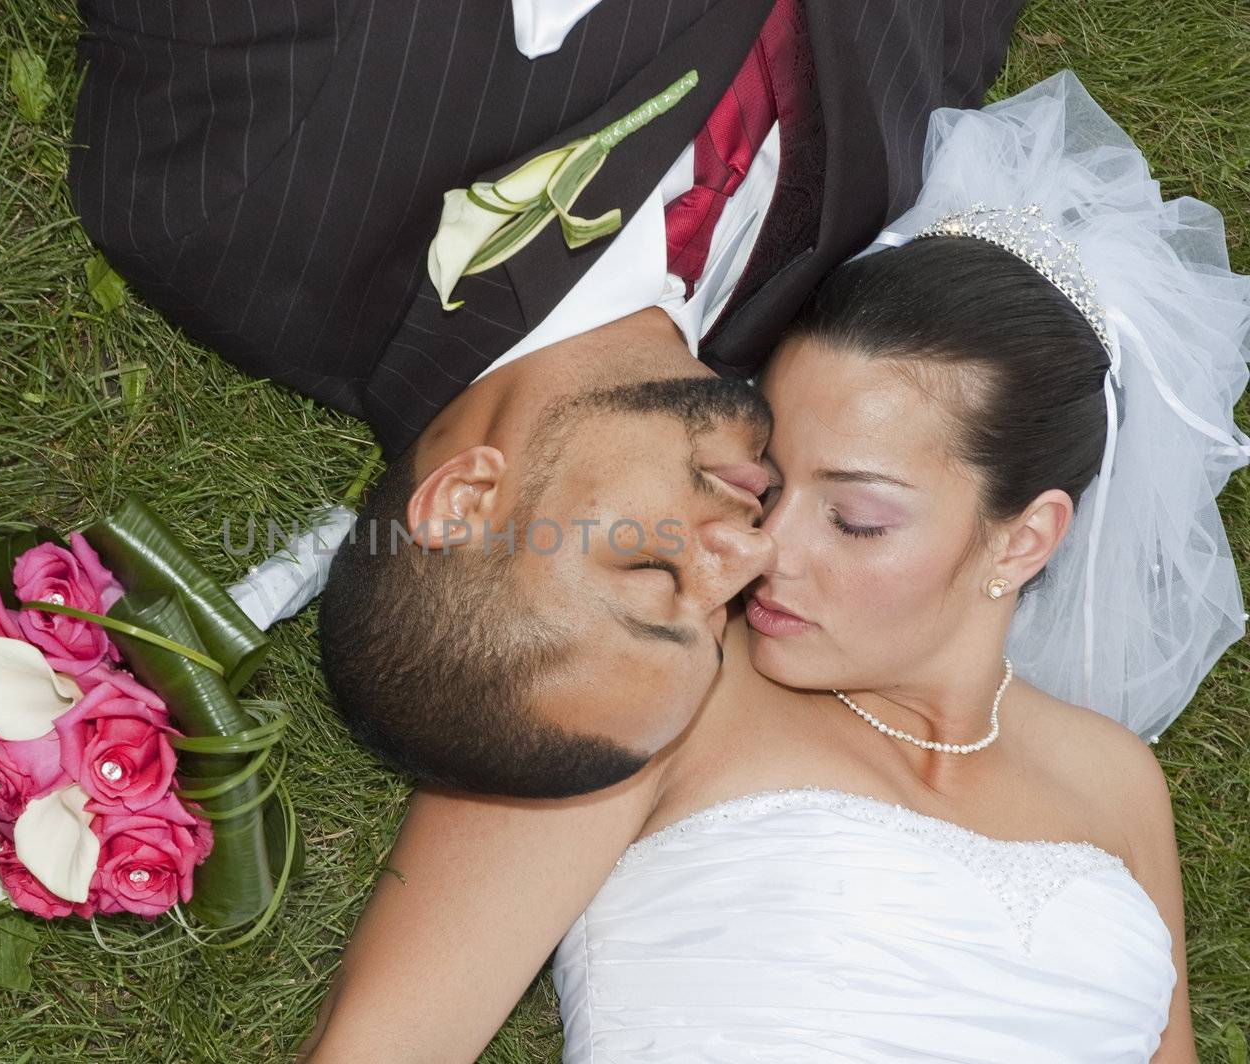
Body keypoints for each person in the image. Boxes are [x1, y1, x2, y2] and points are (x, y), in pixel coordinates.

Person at [297, 72, 1249, 1062]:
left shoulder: (1117, 781)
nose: (761, 549)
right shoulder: (639, 689)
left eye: (856, 517)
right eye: (765, 486)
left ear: (1022, 538)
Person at [68, 0, 1026, 799]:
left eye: (658, 575)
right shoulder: (835, 298)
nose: (747, 552)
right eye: (719, 610)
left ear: (466, 500)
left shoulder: (227, 200)